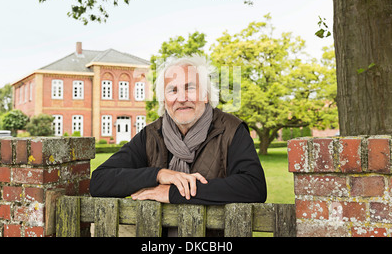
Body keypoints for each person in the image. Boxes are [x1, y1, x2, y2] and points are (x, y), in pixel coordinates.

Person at [90, 55, 267, 206]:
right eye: (172, 90)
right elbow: (100, 181)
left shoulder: (231, 130)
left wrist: (172, 193)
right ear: (164, 100)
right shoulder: (151, 135)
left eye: (190, 88)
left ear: (205, 95)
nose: (181, 98)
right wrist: (159, 174)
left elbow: (253, 187)